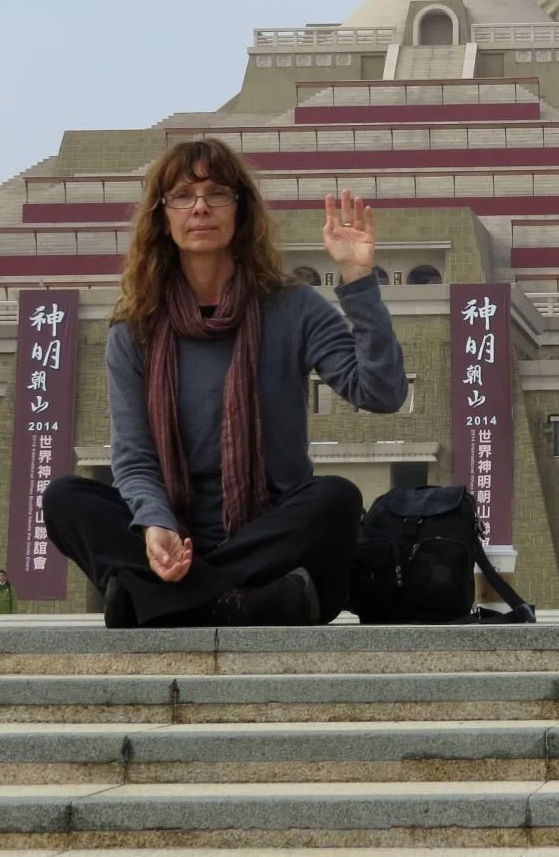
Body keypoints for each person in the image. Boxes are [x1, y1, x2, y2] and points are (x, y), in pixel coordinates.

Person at [44, 139, 407, 629]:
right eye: (182, 195)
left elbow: (381, 393)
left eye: (216, 193)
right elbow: (134, 458)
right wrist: (155, 525)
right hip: (177, 532)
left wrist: (357, 279)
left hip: (271, 532)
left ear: (241, 210)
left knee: (335, 499)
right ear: (162, 217)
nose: (200, 208)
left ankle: (162, 601)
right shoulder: (135, 329)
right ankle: (243, 604)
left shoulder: (293, 307)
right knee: (65, 499)